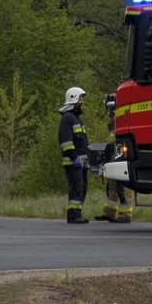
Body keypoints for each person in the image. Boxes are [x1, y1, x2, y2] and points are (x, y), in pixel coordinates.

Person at [95, 93, 133, 224]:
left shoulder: (124, 116)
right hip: (114, 153)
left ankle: (125, 214)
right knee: (112, 185)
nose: (110, 112)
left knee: (123, 186)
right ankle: (110, 213)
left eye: (111, 109)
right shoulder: (114, 120)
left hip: (123, 154)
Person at [58, 87, 89, 225]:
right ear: (74, 100)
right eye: (80, 99)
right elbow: (66, 142)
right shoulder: (67, 118)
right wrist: (73, 157)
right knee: (76, 186)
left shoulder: (77, 118)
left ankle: (78, 213)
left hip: (81, 162)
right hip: (72, 162)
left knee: (82, 187)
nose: (82, 102)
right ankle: (73, 215)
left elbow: (83, 141)